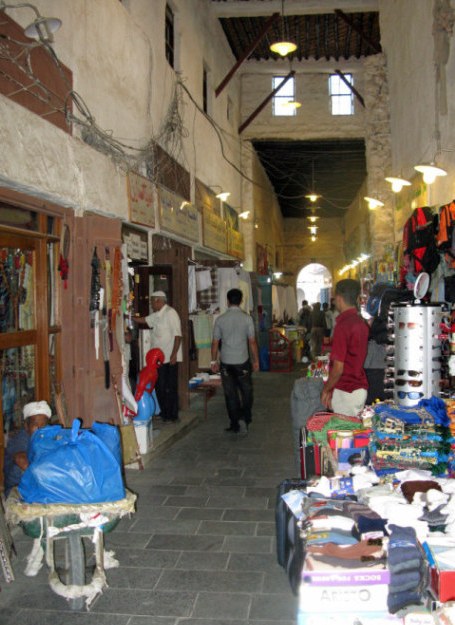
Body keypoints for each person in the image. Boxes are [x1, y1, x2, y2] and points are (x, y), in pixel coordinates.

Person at [211, 288, 259, 434]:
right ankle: (245, 418)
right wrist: (256, 360)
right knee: (246, 392)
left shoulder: (220, 319)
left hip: (226, 362)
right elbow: (252, 342)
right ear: (241, 301)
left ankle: (234, 423)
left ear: (227, 301)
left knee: (230, 394)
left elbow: (214, 343)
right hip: (242, 361)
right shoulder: (247, 319)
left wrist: (214, 361)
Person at [321, 279, 369, 416]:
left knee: (343, 434)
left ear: (339, 297)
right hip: (358, 388)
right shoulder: (361, 323)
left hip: (346, 390)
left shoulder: (343, 326)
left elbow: (338, 368)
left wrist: (326, 389)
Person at [134, 291, 182, 422]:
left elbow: (178, 336)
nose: (151, 304)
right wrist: (128, 317)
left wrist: (174, 355)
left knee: (169, 388)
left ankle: (172, 416)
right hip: (157, 361)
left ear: (158, 301)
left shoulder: (170, 313)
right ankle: (164, 413)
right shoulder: (157, 315)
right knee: (160, 387)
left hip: (169, 358)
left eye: (152, 301)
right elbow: (144, 320)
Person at [4, 400, 52, 496]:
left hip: (38, 486)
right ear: (26, 426)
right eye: (35, 425)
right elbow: (22, 461)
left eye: (43, 426)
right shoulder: (19, 439)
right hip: (17, 489)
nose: (39, 430)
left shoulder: (48, 437)